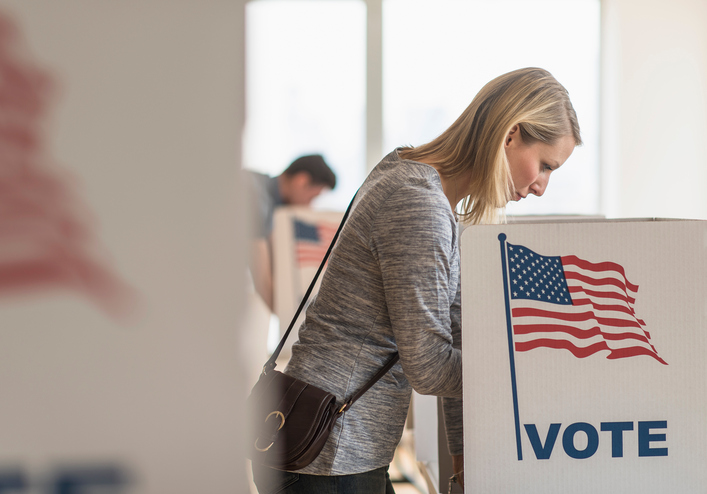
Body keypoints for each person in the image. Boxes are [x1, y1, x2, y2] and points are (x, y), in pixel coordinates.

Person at [251, 67, 582, 493]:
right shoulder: (418, 203)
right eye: (545, 166)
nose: (541, 187)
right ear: (510, 135)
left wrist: (463, 461)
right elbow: (429, 366)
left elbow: (456, 336)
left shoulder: (418, 179)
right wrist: (528, 373)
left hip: (337, 445)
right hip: (330, 452)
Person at [246, 154, 336, 311]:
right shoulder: (258, 197)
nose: (309, 206)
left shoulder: (266, 196)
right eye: (312, 197)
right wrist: (292, 317)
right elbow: (262, 280)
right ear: (301, 181)